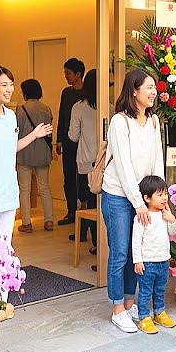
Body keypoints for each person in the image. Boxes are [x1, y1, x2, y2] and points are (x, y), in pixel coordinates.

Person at [101, 69, 164, 333]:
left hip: (142, 198)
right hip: (118, 195)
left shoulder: (153, 121)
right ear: (134, 91)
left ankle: (129, 304)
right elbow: (124, 167)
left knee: (135, 252)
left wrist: (160, 196)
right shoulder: (120, 121)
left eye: (154, 87)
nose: (153, 92)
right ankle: (117, 309)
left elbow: (157, 160)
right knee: (120, 253)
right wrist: (139, 203)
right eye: (148, 87)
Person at [0, 65, 53, 245]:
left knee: (5, 247)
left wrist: (34, 135)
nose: (10, 90)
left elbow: (11, 148)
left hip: (8, 191)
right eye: (4, 85)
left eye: (11, 84)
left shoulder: (10, 116)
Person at [131, 175, 176, 334]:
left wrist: (171, 219)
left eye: (165, 193)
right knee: (145, 291)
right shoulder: (142, 217)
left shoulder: (164, 214)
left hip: (163, 261)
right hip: (148, 263)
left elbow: (173, 232)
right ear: (147, 198)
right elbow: (136, 241)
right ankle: (144, 317)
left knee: (160, 289)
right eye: (159, 195)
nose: (164, 198)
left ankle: (159, 313)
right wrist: (137, 261)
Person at [16, 79, 55, 232]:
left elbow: (16, 131)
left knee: (24, 189)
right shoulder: (46, 109)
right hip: (42, 153)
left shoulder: (20, 110)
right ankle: (49, 220)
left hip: (24, 153)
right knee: (44, 187)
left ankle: (26, 223)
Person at [68, 68, 99, 250]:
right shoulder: (110, 108)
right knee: (100, 203)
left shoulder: (78, 107)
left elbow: (73, 136)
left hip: (86, 160)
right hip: (105, 162)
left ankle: (88, 236)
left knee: (86, 201)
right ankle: (99, 243)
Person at [56, 58, 86, 226]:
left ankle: (83, 211)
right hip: (68, 141)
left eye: (68, 73)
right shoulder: (66, 93)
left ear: (78, 74)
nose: (66, 76)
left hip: (84, 142)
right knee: (68, 177)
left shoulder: (87, 93)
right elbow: (62, 116)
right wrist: (59, 140)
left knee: (82, 177)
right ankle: (71, 211)